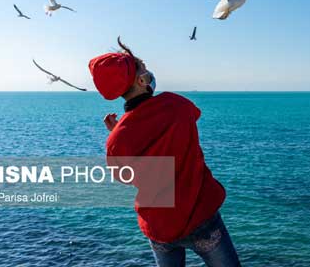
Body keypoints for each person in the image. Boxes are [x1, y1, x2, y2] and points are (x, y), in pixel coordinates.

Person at [88, 37, 241, 267]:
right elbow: (192, 115)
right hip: (199, 217)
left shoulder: (116, 140)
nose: (149, 72)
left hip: (159, 227)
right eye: (145, 69)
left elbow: (124, 176)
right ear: (142, 81)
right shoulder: (176, 105)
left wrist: (117, 132)